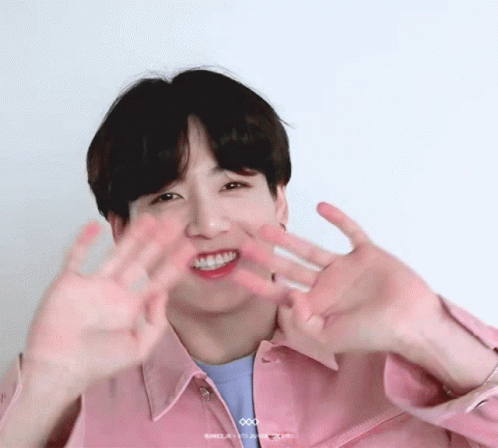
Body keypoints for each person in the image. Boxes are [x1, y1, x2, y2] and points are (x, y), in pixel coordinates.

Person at [0, 68, 497, 447]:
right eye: (167, 196)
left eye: (233, 185)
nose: (208, 223)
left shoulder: (404, 359)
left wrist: (433, 335)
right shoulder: (70, 403)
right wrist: (44, 390)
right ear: (123, 228)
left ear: (279, 202)